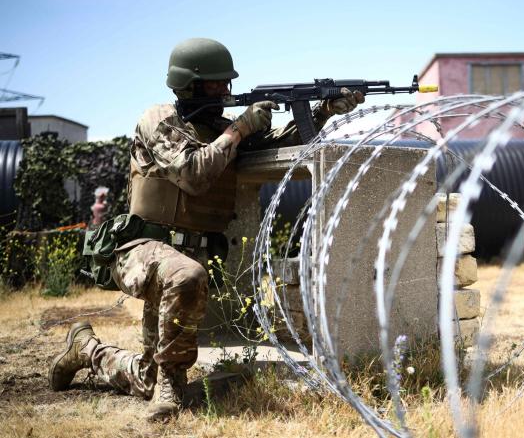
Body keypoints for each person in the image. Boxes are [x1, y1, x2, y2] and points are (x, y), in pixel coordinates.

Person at [48, 38, 364, 422]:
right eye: (214, 84)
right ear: (188, 85)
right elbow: (192, 174)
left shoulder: (219, 128)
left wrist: (324, 111)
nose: (224, 91)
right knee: (187, 277)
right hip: (142, 246)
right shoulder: (159, 120)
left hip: (187, 254)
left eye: (225, 83)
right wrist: (239, 130)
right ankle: (171, 385)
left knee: (146, 375)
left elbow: (287, 142)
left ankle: (87, 349)